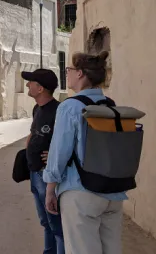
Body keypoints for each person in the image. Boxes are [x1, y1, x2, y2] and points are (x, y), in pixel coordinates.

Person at [43, 51, 126, 254]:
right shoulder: (110, 105)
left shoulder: (70, 107)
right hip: (113, 192)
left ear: (80, 73)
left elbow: (58, 154)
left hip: (81, 192)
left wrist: (50, 189)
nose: (67, 73)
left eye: (69, 69)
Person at [21, 68, 65, 254]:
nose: (27, 85)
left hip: (48, 176)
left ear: (40, 89)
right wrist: (27, 152)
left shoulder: (58, 111)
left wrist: (55, 156)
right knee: (46, 223)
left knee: (57, 227)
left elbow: (67, 141)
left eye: (30, 82)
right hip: (35, 172)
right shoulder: (37, 108)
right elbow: (33, 132)